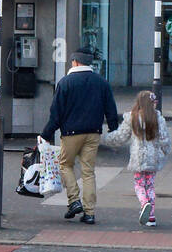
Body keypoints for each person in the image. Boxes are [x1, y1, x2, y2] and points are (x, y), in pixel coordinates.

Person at [40, 50, 122, 224]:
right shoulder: (101, 82)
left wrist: (46, 134)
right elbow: (111, 110)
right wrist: (114, 130)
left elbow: (56, 113)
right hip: (93, 133)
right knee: (88, 172)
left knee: (65, 165)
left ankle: (74, 200)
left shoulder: (65, 83)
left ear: (75, 62)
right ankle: (90, 212)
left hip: (70, 133)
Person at [101, 89, 172, 228]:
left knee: (139, 185)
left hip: (138, 158)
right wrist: (164, 153)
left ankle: (144, 203)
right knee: (150, 185)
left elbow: (120, 137)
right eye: (155, 102)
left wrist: (103, 139)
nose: (156, 104)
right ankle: (151, 216)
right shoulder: (158, 118)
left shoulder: (132, 117)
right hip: (153, 159)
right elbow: (165, 140)